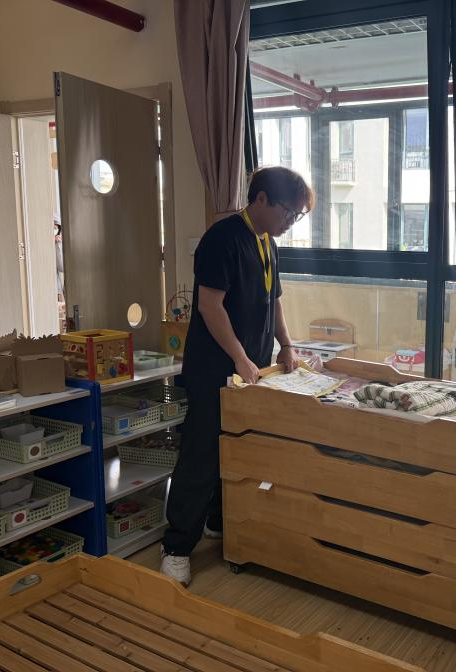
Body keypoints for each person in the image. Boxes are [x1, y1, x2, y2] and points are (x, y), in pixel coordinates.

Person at [160, 166, 314, 585]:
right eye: (287, 212)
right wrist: (240, 357)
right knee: (202, 454)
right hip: (216, 368)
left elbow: (273, 300)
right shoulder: (223, 238)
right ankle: (176, 547)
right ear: (260, 199)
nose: (290, 221)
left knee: (238, 447)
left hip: (251, 369)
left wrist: (286, 344)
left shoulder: (268, 243)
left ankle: (216, 520)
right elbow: (210, 305)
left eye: (296, 215)